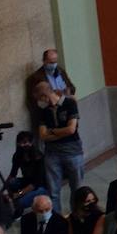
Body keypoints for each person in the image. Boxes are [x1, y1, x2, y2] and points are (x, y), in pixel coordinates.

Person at [33, 81, 82, 213]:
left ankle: (76, 217)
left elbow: (71, 129)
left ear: (44, 96)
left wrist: (52, 131)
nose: (39, 102)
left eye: (39, 99)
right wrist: (61, 131)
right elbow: (42, 135)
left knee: (76, 189)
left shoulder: (70, 104)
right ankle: (56, 220)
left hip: (72, 151)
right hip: (52, 153)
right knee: (53, 191)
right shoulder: (43, 111)